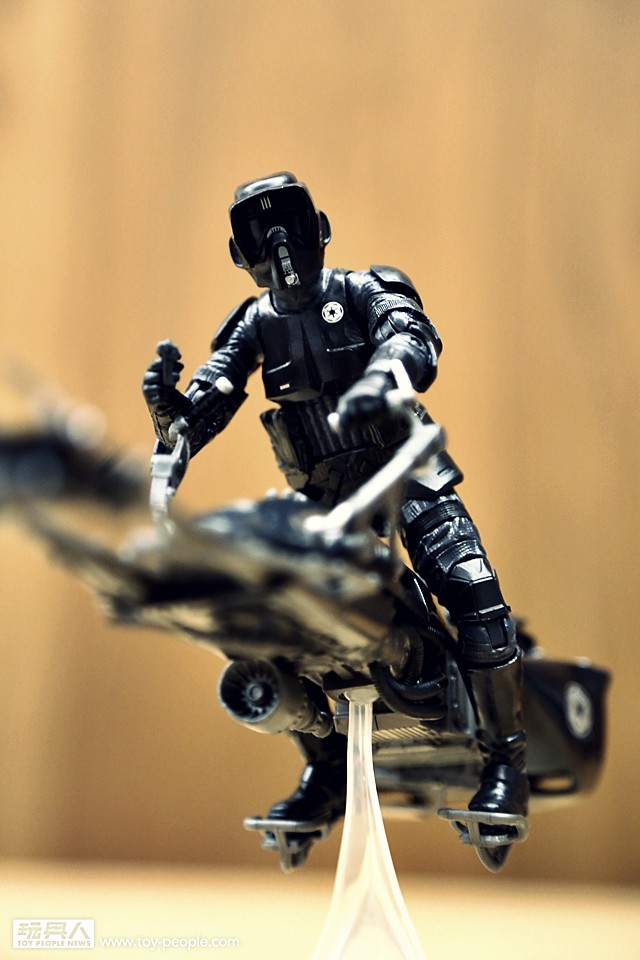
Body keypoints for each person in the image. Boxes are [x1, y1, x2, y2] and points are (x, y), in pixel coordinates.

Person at [142, 172, 529, 861]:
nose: (278, 243)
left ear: (319, 228)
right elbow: (212, 394)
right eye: (259, 234)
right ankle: (326, 769)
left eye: (289, 223)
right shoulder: (253, 324)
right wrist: (174, 417)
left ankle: (504, 765)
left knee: (472, 589)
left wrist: (382, 378)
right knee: (269, 610)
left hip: (404, 473)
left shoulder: (366, 289)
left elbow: (412, 339)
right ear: (239, 255)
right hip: (322, 497)